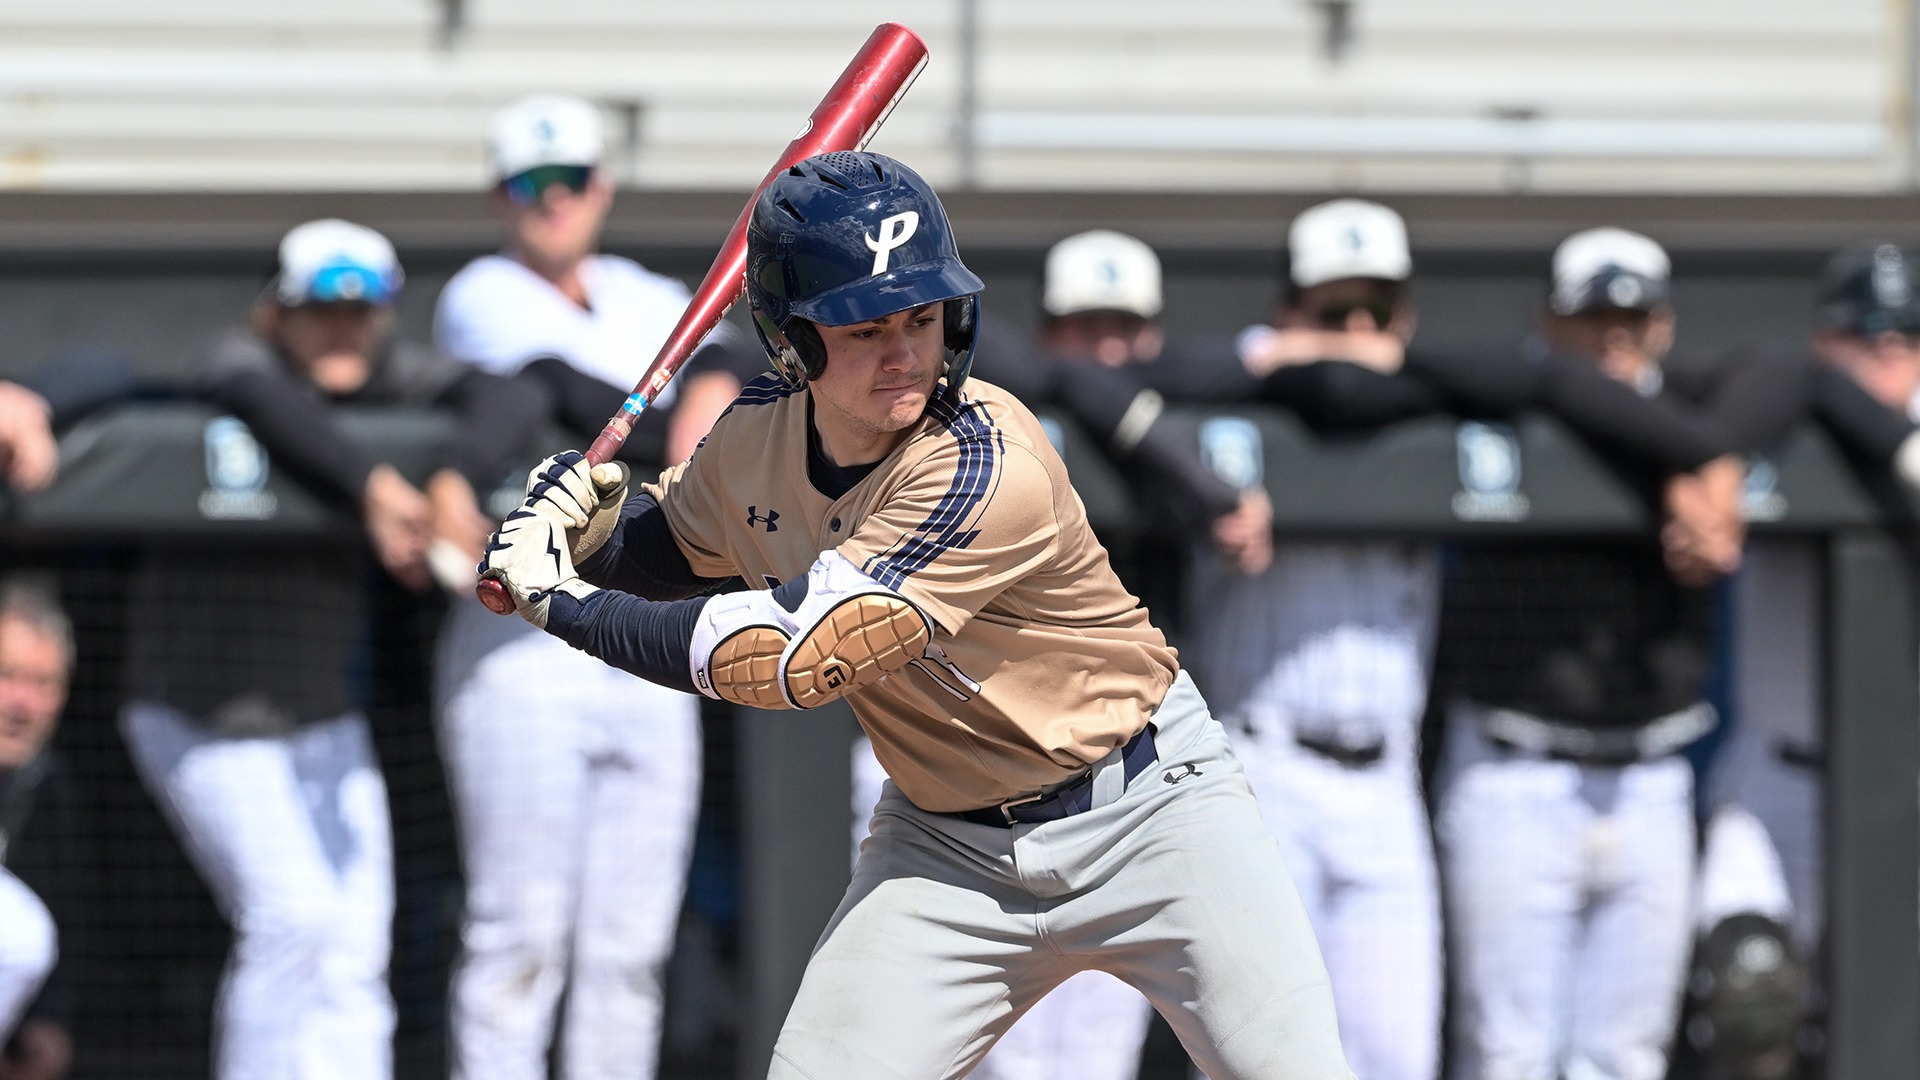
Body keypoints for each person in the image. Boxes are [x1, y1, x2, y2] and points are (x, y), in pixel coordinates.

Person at [477, 151, 1353, 1080]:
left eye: (921, 317)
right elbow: (665, 553)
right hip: (948, 847)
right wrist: (586, 526)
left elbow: (793, 658)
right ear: (793, 339)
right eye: (861, 327)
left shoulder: (986, 460)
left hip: (1150, 814)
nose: (902, 352)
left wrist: (561, 603)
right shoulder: (756, 434)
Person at [118, 218, 542, 1080]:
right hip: (197, 704)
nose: (342, 329)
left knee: (353, 937)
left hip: (316, 710)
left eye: (361, 311)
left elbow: (516, 394)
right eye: (320, 311)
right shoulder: (239, 360)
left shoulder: (390, 374)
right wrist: (375, 486)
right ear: (278, 312)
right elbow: (255, 397)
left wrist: (454, 473)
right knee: (292, 919)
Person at [431, 93, 756, 1080]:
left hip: (648, 628)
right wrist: (691, 417)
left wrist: (711, 383)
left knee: (629, 951)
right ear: (499, 197)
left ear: (601, 187)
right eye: (531, 184)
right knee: (518, 936)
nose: (552, 200)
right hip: (522, 635)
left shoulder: (644, 290)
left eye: (569, 180)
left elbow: (741, 359)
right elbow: (563, 387)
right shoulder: (480, 291)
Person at [1432, 227, 1802, 1080]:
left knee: (1627, 1055)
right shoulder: (1524, 394)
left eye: (1632, 320)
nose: (1613, 337)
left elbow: (1789, 371)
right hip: (1517, 763)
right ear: (1548, 320)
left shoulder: (1692, 401)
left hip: (1650, 773)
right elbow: (1537, 379)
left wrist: (1703, 453)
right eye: (1592, 317)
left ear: (1664, 326)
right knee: (1510, 1051)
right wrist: (1697, 459)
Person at [1174, 199, 1448, 1080]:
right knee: (1261, 1059)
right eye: (1334, 313)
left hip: (1390, 779)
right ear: (1289, 313)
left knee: (1397, 1055)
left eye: (1377, 312)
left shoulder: (1433, 417)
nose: (1358, 335)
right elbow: (1143, 379)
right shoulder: (1239, 407)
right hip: (1264, 769)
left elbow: (1525, 383)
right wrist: (1275, 356)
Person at [0, 583, 76, 1080]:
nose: (23, 703)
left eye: (44, 683)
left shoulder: (51, 790)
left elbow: (76, 919)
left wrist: (51, 1019)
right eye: (7, 676)